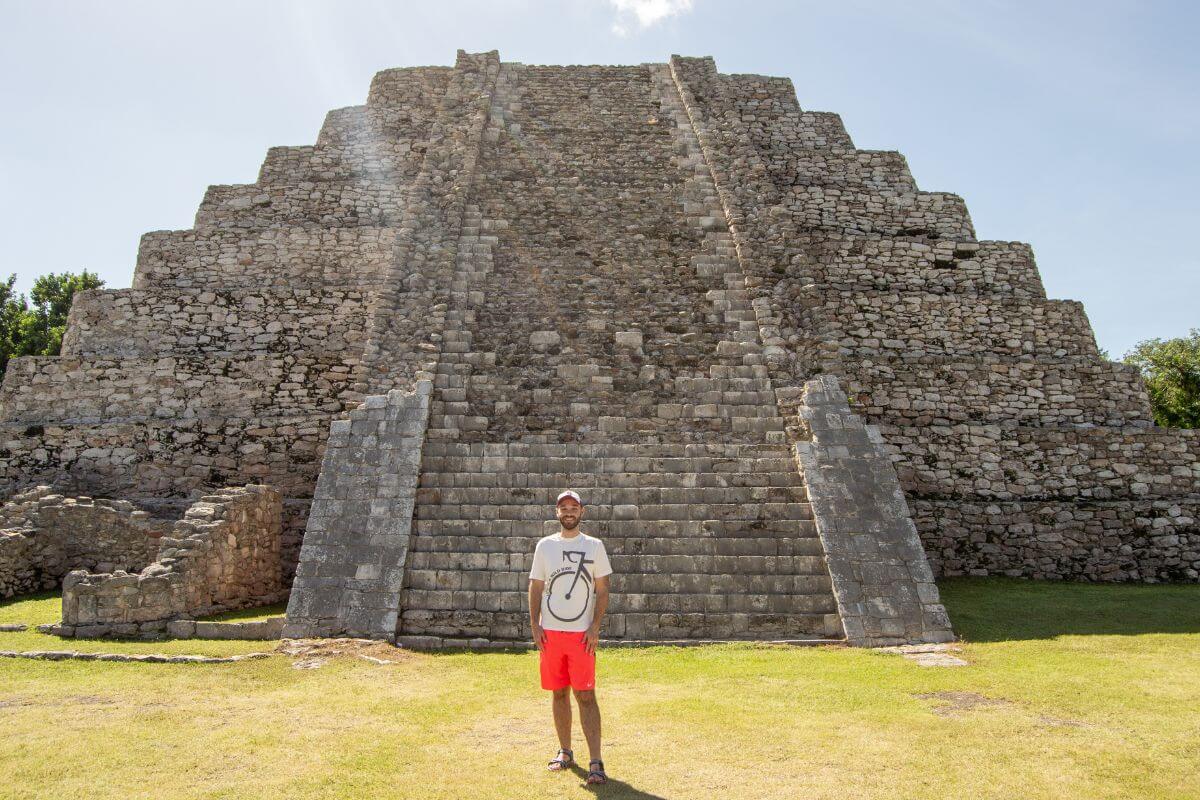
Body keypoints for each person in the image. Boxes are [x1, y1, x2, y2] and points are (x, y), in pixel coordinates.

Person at [528, 489, 613, 785]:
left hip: (580, 634)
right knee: (558, 692)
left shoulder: (594, 546)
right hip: (551, 632)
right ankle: (565, 752)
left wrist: (595, 627)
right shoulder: (545, 546)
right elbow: (536, 586)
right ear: (556, 512)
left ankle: (596, 762)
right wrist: (535, 625)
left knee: (586, 695)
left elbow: (602, 589)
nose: (568, 511)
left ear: (582, 512)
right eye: (563, 507)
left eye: (573, 507)